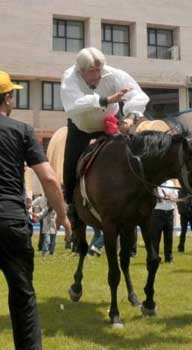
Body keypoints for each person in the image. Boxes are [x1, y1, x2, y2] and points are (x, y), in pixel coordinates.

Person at [0, 71, 71, 350]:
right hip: (11, 221)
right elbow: (50, 179)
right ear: (7, 98)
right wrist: (63, 217)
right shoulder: (22, 131)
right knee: (22, 296)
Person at [60, 47, 149, 222]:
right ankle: (72, 206)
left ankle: (137, 196)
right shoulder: (70, 77)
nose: (96, 75)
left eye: (98, 70)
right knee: (70, 163)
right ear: (81, 70)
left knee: (130, 156)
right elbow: (73, 104)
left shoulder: (114, 74)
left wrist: (131, 117)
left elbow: (137, 95)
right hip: (81, 127)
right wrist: (105, 99)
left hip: (109, 122)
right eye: (91, 72)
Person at [150, 180, 177, 263]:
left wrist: (172, 196)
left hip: (169, 212)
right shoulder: (155, 183)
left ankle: (168, 257)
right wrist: (162, 196)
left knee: (169, 237)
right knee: (155, 237)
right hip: (158, 212)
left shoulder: (171, 183)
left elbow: (176, 194)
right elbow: (154, 195)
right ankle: (155, 257)